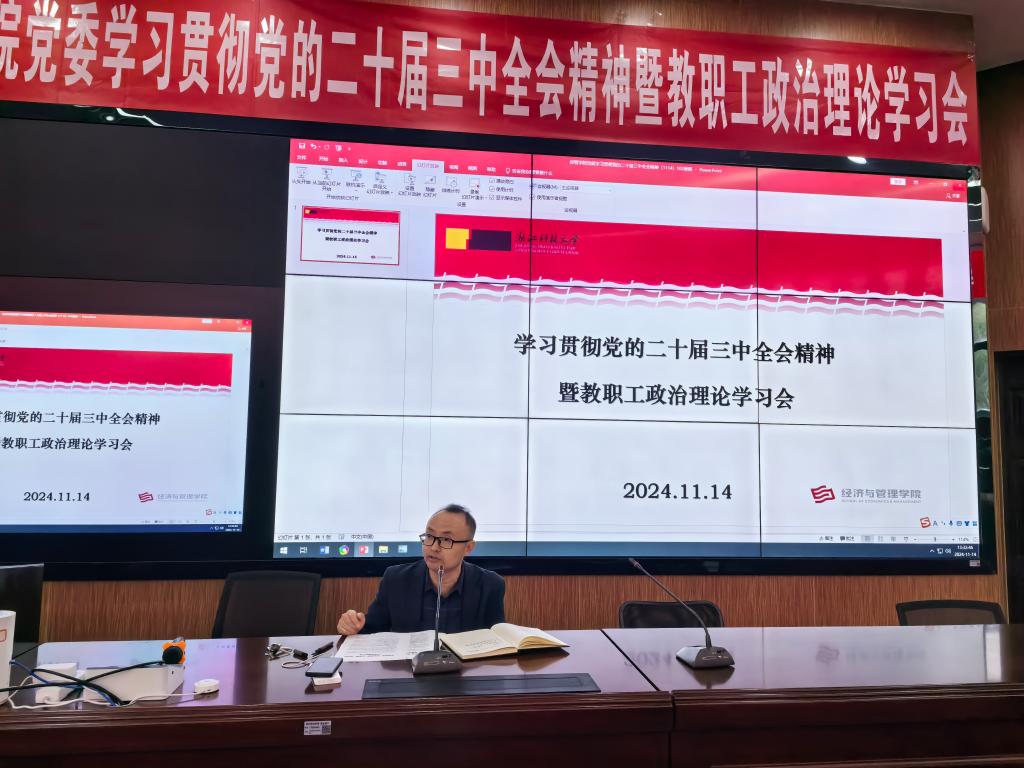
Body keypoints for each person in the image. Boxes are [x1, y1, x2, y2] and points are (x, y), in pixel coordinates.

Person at [337, 504, 505, 635]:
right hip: (407, 668)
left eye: (446, 540)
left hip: (465, 668)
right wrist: (353, 625)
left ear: (468, 547)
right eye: (429, 536)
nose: (433, 547)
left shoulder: (490, 585)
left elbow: (497, 641)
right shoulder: (396, 579)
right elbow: (371, 630)